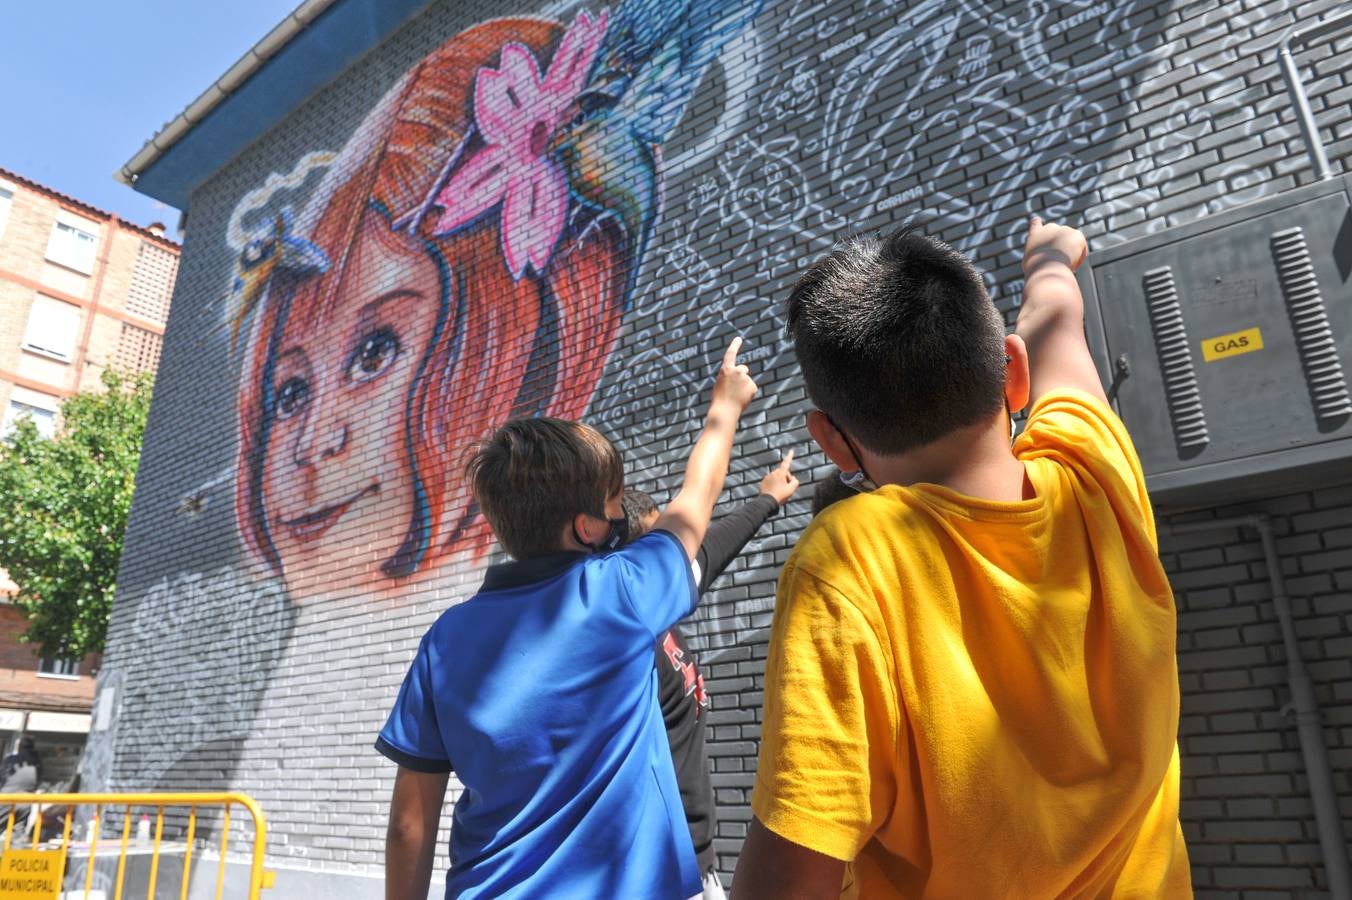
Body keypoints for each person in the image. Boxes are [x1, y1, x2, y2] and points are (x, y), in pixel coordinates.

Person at [733, 220, 1190, 897]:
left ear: (831, 439)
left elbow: (791, 880)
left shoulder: (853, 557)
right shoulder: (1094, 474)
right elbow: (1056, 324)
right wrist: (1048, 256)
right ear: (1012, 374)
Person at [377, 338, 758, 900]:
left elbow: (410, 822)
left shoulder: (444, 641)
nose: (622, 519)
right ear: (586, 529)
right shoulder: (623, 591)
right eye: (614, 507)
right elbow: (695, 500)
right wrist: (725, 409)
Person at [624, 454, 801, 899]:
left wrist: (767, 499)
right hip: (656, 871)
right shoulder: (628, 622)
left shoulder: (659, 605)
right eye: (659, 536)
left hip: (694, 864)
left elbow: (716, 545)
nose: (676, 550)